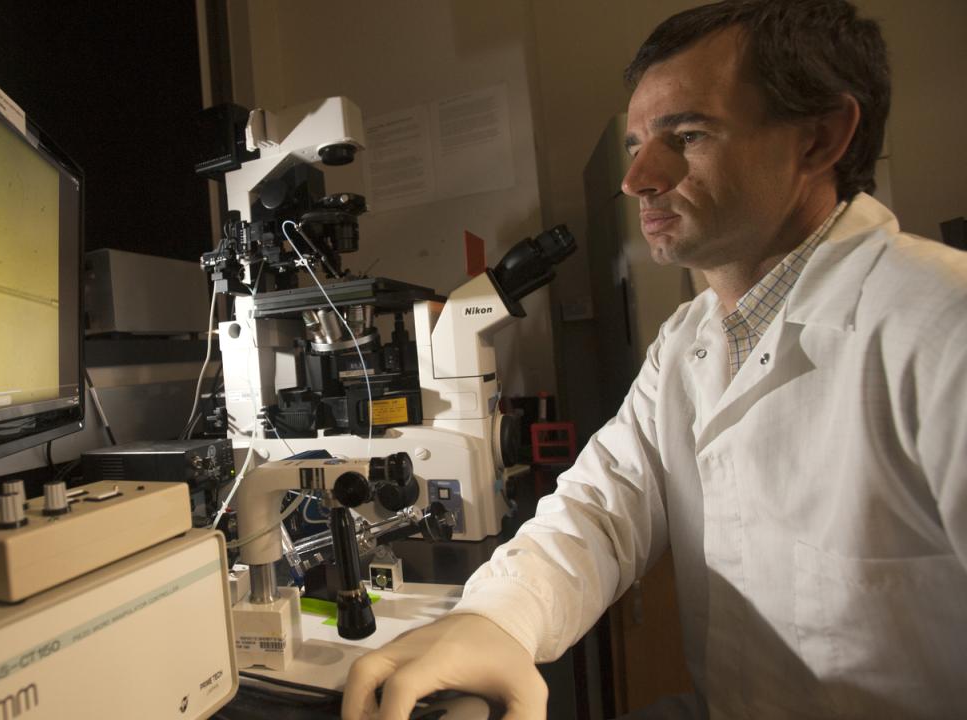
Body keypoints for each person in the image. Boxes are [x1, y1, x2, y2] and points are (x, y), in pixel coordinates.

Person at [342, 1, 967, 718]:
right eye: (638, 141)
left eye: (687, 135)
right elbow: (598, 512)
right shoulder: (688, 342)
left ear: (819, 139)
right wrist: (495, 620)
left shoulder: (943, 326)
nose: (637, 177)